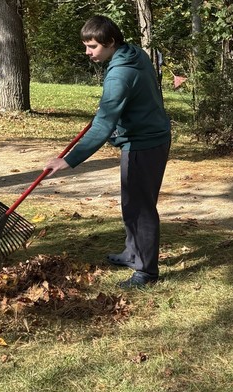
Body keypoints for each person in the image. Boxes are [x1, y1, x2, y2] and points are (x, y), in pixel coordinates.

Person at [44, 15, 171, 289]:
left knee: (140, 208)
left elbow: (102, 126)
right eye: (86, 45)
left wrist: (69, 160)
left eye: (93, 46)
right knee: (131, 203)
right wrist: (111, 106)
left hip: (143, 143)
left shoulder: (119, 74)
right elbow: (126, 99)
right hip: (150, 135)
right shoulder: (134, 53)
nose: (87, 52)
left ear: (111, 42)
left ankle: (146, 272)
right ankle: (132, 253)